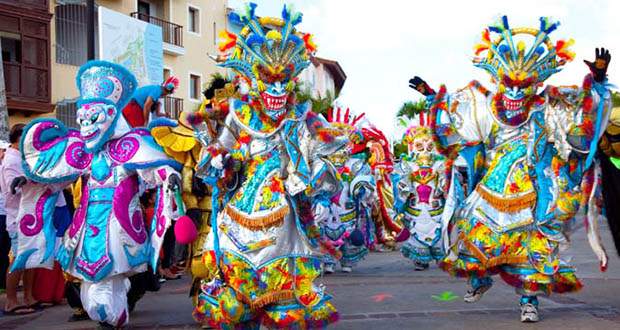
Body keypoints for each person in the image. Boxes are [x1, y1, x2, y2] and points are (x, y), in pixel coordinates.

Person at [412, 16, 612, 322]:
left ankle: (529, 301)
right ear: (499, 80)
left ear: (535, 83)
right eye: (511, 85)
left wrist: (598, 79)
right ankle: (480, 278)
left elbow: (585, 113)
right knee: (472, 226)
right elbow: (455, 114)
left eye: (524, 86)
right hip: (494, 182)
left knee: (532, 243)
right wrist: (431, 96)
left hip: (535, 184)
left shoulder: (547, 105)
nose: (517, 93)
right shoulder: (486, 105)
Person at [0, 124, 37, 315]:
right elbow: (12, 190)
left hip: (29, 215)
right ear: (19, 139)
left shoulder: (21, 158)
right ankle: (11, 301)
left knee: (30, 259)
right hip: (18, 217)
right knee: (19, 259)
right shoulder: (11, 161)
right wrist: (31, 183)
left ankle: (28, 297)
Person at [0, 140, 10, 292]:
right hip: (1, 213)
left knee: (5, 249)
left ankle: (3, 283)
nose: (4, 154)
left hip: (6, 212)